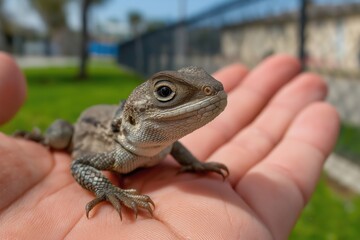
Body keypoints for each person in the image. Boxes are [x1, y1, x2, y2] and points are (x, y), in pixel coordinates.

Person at [0, 52, 339, 239]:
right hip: (86, 128)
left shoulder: (161, 143)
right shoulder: (117, 154)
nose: (211, 91)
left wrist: (193, 162)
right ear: (134, 119)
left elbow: (171, 146)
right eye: (166, 93)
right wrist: (110, 190)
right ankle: (46, 136)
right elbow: (79, 164)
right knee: (59, 134)